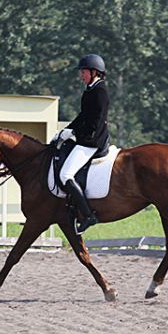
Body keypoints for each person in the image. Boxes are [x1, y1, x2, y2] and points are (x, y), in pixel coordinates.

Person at [53, 54, 110, 234]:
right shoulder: (90, 90)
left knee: (66, 174)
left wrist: (75, 133)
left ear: (94, 72)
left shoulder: (100, 92)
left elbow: (95, 121)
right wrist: (66, 130)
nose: (81, 76)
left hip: (92, 141)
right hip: (86, 138)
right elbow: (82, 116)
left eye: (84, 72)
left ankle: (87, 215)